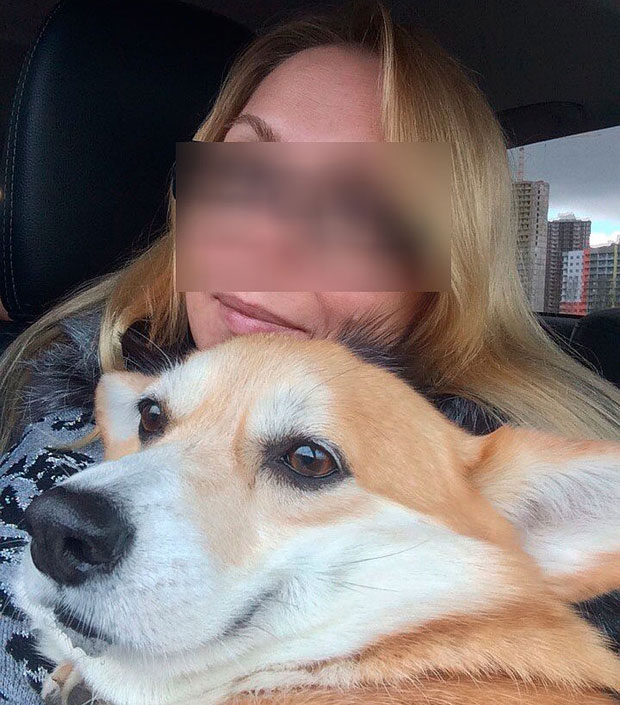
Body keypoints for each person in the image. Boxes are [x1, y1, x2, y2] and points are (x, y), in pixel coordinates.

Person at [0, 3, 618, 703]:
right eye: (242, 174)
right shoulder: (49, 369)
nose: (268, 242)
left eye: (358, 209)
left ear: (444, 277)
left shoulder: (502, 548)